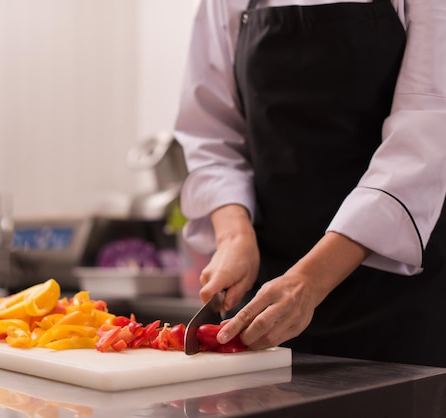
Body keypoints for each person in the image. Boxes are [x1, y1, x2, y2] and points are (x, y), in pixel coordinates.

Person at [174, 0, 446, 367]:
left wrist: (310, 280)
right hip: (264, 298)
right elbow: (211, 136)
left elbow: (423, 141)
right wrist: (233, 237)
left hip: (396, 306)